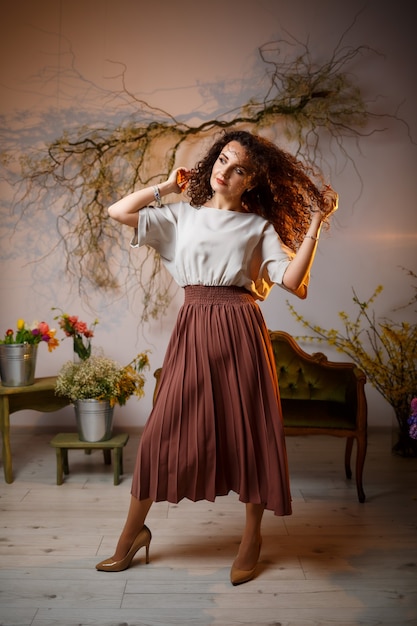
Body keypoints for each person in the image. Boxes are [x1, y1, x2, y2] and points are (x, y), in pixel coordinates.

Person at [96, 129, 338, 585]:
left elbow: (293, 283)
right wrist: (166, 187)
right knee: (159, 438)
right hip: (193, 329)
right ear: (213, 163)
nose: (225, 171)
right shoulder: (180, 217)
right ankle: (131, 534)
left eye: (239, 167)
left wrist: (315, 226)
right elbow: (118, 212)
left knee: (250, 434)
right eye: (222, 160)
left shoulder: (257, 227)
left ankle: (252, 538)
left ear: (252, 181)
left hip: (242, 330)